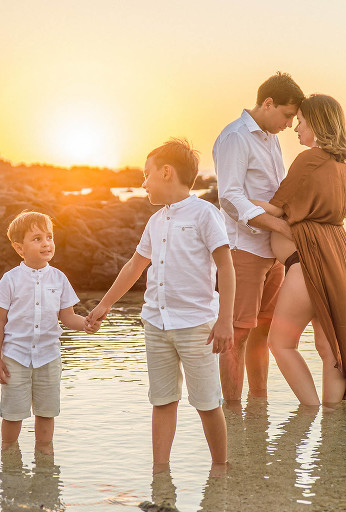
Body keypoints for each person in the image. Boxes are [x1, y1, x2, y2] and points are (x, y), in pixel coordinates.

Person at [86, 139, 236, 468]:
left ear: (166, 172)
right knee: (162, 400)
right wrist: (104, 305)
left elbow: (225, 266)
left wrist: (225, 320)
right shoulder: (155, 221)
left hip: (197, 326)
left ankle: (220, 471)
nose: (143, 182)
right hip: (156, 324)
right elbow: (135, 266)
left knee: (207, 402)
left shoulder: (205, 215)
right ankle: (160, 472)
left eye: (147, 174)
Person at [252, 94, 346, 404]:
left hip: (307, 263)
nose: (296, 127)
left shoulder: (310, 158)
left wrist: (237, 198)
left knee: (281, 343)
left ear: (316, 123)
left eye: (301, 121)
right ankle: (333, 423)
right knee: (330, 348)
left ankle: (309, 410)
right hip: (337, 258)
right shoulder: (341, 162)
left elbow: (275, 210)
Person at [213, 72, 305, 402]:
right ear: (268, 103)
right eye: (286, 115)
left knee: (263, 332)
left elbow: (274, 191)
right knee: (236, 335)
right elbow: (229, 196)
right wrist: (279, 226)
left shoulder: (271, 138)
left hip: (272, 254)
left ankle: (259, 408)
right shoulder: (235, 137)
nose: (289, 124)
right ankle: (233, 417)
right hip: (243, 250)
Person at [0, 210, 100, 454]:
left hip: (49, 357)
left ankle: (45, 465)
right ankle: (8, 459)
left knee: (47, 412)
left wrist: (86, 324)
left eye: (49, 237)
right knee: (12, 413)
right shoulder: (10, 280)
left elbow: (68, 317)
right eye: (37, 238)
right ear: (19, 248)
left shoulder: (59, 279)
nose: (46, 243)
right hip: (15, 357)